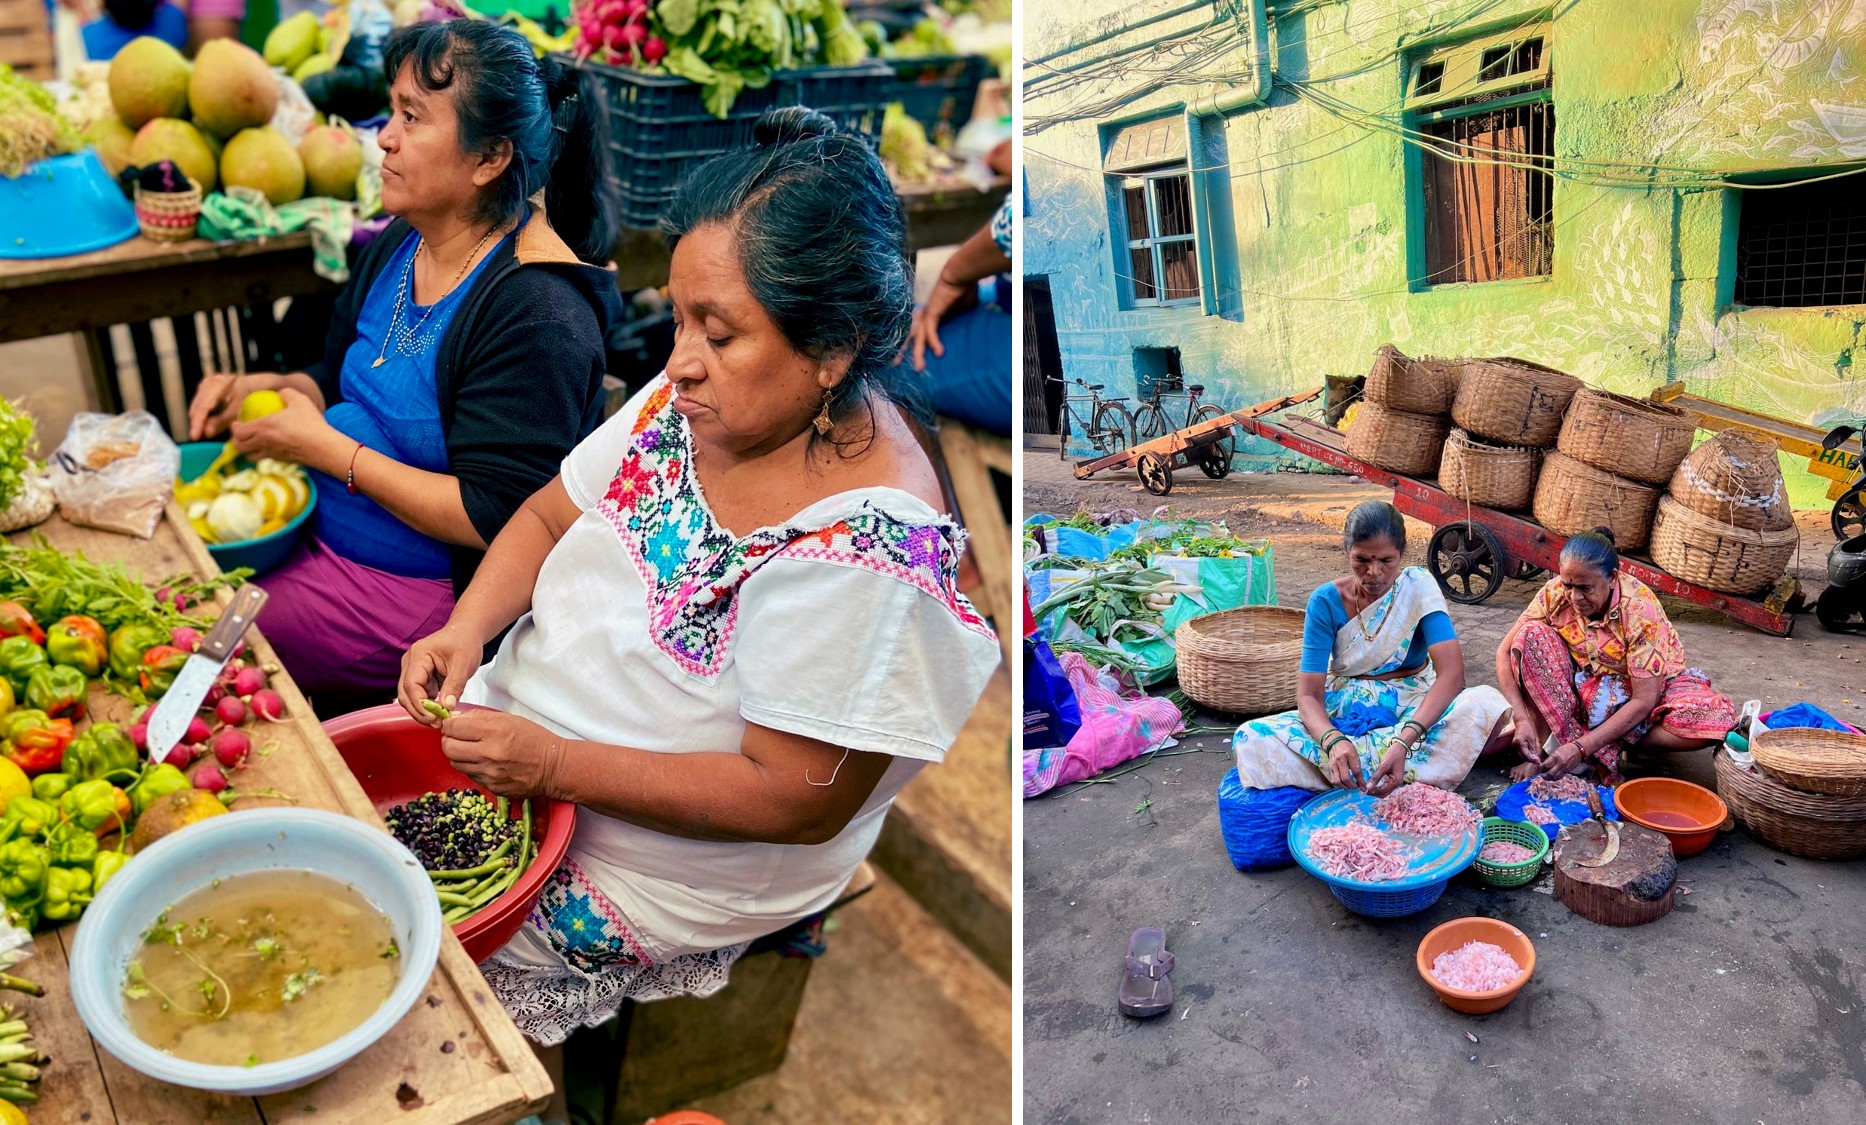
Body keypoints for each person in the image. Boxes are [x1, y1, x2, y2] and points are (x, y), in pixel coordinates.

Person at [394, 107, 1000, 1122]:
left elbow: (791, 797)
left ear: (836, 345)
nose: (678, 359)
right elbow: (548, 513)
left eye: (718, 332)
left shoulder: (870, 553)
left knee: (419, 991)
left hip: (659, 865)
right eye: (678, 320)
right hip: (523, 742)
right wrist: (467, 627)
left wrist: (552, 766)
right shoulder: (697, 402)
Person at [186, 19, 621, 703]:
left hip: (418, 604)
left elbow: (498, 516)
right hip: (311, 537)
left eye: (412, 117)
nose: (383, 136)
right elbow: (338, 376)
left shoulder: (537, 315)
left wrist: (328, 451)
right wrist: (271, 387)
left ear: (490, 158)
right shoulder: (402, 241)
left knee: (189, 633)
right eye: (391, 110)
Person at [1233, 502, 1511, 794]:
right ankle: (1399, 768)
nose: (1374, 572)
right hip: (1344, 710)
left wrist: (1405, 740)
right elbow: (1308, 694)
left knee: (1485, 704)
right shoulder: (1325, 601)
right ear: (1346, 552)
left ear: (1401, 553)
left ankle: (1366, 768)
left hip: (1414, 703)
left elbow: (1452, 676)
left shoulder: (1417, 585)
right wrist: (1332, 740)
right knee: (1251, 738)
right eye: (1361, 560)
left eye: (1387, 561)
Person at [1495, 528, 1736, 784]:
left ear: (1611, 578)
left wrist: (1581, 748)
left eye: (1585, 588)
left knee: (1715, 719)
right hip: (1585, 683)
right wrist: (1521, 720)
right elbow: (1503, 652)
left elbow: (1644, 700)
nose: (1575, 597)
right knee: (1529, 636)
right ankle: (1544, 748)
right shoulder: (1554, 593)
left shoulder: (1640, 610)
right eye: (1568, 585)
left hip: (1645, 686)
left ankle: (1606, 744)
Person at [901, 140, 1012, 436]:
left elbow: (1010, 226)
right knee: (912, 324)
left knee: (887, 366)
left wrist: (954, 275)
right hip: (1001, 298)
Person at [81, 0, 187, 59]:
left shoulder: (92, 38)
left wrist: (80, 6)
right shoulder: (172, 27)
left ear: (103, 6)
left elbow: (80, 10)